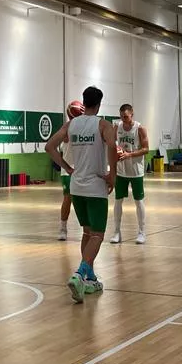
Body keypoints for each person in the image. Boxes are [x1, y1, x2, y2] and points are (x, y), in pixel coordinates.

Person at [46, 86, 117, 304]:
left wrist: (68, 168)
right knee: (97, 235)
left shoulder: (71, 124)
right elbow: (113, 147)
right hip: (95, 187)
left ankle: (90, 278)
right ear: (100, 103)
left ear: (84, 103)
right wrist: (112, 174)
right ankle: (79, 274)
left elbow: (49, 147)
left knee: (87, 233)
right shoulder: (103, 124)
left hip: (76, 187)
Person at [111, 103, 149, 244]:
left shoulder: (140, 128)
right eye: (121, 117)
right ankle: (116, 232)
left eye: (126, 117)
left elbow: (146, 149)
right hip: (121, 170)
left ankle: (142, 232)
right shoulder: (117, 127)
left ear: (132, 114)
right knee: (118, 201)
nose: (124, 119)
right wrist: (115, 152)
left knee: (138, 201)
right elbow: (111, 143)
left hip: (135, 170)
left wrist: (130, 154)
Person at [58, 100, 84, 241]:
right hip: (68, 169)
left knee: (85, 199)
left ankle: (87, 228)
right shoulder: (67, 128)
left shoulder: (86, 126)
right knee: (68, 199)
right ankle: (63, 228)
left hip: (83, 169)